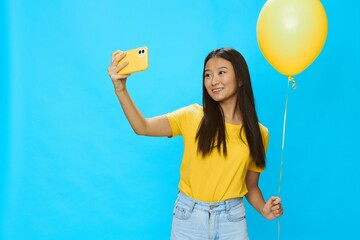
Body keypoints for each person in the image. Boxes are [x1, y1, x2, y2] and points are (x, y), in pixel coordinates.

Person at [107, 47, 283, 240]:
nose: (213, 81)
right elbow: (143, 127)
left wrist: (264, 209)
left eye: (221, 72)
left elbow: (251, 186)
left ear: (240, 79)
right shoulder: (192, 116)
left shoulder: (259, 133)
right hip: (189, 217)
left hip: (232, 220)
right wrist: (121, 89)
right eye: (208, 75)